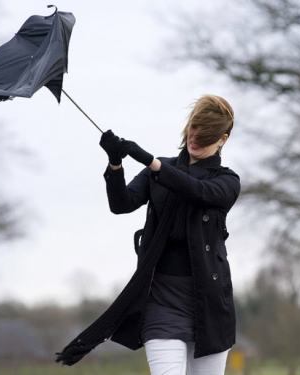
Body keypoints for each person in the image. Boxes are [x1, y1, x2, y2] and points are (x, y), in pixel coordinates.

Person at [98, 94, 241, 375]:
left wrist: (152, 163)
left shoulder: (226, 181)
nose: (196, 137)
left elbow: (197, 191)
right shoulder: (159, 170)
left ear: (222, 139)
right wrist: (115, 164)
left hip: (209, 305)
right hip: (161, 302)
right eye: (194, 128)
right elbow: (121, 204)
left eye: (207, 134)